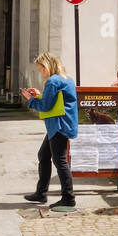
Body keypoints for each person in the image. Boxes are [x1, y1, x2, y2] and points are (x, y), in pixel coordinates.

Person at [21, 52, 79, 210]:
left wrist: (31, 99)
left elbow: (46, 106)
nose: (40, 71)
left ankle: (68, 198)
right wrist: (39, 95)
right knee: (44, 155)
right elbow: (53, 102)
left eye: (41, 68)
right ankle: (41, 193)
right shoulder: (66, 78)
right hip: (62, 123)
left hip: (59, 125)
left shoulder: (53, 81)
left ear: (47, 66)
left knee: (60, 160)